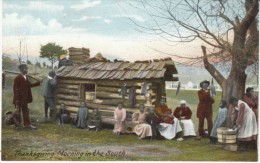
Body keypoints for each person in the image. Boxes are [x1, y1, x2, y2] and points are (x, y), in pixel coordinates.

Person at [13, 64, 41, 130]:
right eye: (26, 69)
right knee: (18, 112)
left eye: (27, 68)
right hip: (19, 99)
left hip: (24, 99)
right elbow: (15, 90)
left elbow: (29, 85)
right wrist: (17, 102)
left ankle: (27, 124)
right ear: (22, 70)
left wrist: (38, 83)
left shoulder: (25, 77)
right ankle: (18, 126)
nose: (27, 70)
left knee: (25, 112)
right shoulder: (17, 78)